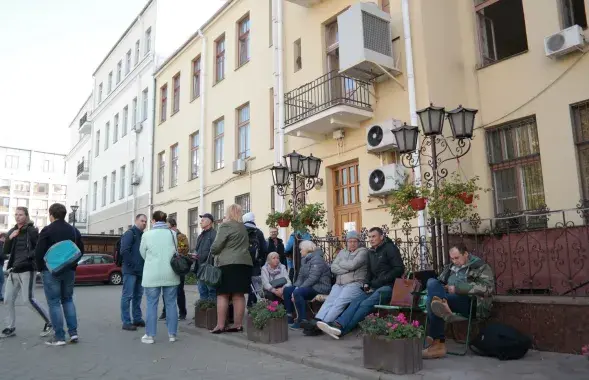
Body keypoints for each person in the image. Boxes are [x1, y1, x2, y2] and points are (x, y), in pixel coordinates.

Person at [317, 227, 404, 339]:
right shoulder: (371, 252)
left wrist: (382, 280)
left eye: (374, 236)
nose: (371, 239)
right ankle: (338, 324)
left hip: (389, 286)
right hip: (374, 286)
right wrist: (366, 283)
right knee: (356, 301)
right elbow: (369, 272)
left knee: (365, 304)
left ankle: (341, 329)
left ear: (382, 237)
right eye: (370, 237)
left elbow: (399, 269)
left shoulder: (390, 248)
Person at [422, 243, 495, 359]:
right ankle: (443, 306)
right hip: (449, 299)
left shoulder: (480, 266)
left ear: (465, 254)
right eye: (452, 258)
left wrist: (458, 289)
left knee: (433, 301)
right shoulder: (450, 268)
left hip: (471, 302)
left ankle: (438, 343)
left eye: (457, 258)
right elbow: (439, 282)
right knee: (431, 282)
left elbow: (488, 288)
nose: (454, 261)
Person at [35, 203, 84, 346]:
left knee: (54, 303)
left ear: (51, 215)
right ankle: (73, 333)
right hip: (69, 270)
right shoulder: (74, 231)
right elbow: (80, 250)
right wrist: (73, 265)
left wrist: (42, 268)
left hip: (51, 271)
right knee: (68, 300)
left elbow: (39, 252)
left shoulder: (47, 230)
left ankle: (59, 337)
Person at [1, 206, 52, 339]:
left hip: (27, 269)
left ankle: (49, 322)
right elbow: (5, 251)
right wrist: (9, 238)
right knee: (7, 299)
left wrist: (28, 257)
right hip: (13, 270)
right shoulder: (12, 230)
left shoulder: (32, 231)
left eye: (21, 214)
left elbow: (38, 248)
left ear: (26, 216)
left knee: (28, 300)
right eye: (16, 214)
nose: (18, 217)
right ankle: (10, 327)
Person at [309, 231, 368, 328]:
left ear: (358, 242)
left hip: (354, 283)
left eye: (355, 241)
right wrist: (347, 268)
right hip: (339, 283)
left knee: (339, 302)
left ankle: (325, 323)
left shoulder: (363, 252)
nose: (352, 243)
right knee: (329, 301)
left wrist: (341, 264)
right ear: (346, 242)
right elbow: (333, 268)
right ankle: (317, 320)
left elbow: (353, 265)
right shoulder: (342, 252)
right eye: (350, 241)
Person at [209, 204, 252, 334]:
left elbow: (215, 247)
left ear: (228, 212)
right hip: (244, 263)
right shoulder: (243, 228)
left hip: (228, 264)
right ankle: (238, 325)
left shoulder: (226, 226)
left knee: (223, 295)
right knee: (238, 295)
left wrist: (213, 251)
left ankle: (220, 325)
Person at [139, 211, 181, 344]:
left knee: (152, 304)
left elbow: (142, 253)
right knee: (171, 304)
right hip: (171, 273)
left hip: (152, 274)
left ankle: (150, 336)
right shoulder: (172, 234)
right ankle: (172, 335)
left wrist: (151, 261)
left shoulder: (146, 234)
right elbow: (176, 251)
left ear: (153, 220)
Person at [283, 240, 331, 330]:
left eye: (301, 249)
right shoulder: (305, 259)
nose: (300, 251)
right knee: (287, 290)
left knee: (298, 293)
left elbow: (313, 278)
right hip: (310, 286)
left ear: (307, 249)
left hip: (319, 287)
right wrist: (296, 287)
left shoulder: (317, 259)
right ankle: (289, 316)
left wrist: (298, 289)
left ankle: (302, 320)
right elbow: (301, 277)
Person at [120, 214, 147, 331]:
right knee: (127, 296)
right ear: (136, 221)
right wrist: (132, 265)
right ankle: (126, 321)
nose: (144, 223)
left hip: (140, 271)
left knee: (138, 296)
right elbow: (124, 251)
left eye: (145, 221)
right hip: (130, 271)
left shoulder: (143, 235)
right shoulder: (130, 233)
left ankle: (137, 318)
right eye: (142, 221)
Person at [159, 217, 189, 321]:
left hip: (178, 266)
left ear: (174, 226)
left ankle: (182, 312)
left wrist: (171, 250)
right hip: (167, 266)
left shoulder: (180, 236)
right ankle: (165, 312)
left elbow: (184, 249)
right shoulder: (165, 237)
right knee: (166, 290)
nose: (166, 230)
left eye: (168, 228)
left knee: (179, 290)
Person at [243, 212, 268, 307]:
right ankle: (252, 305)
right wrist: (261, 262)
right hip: (255, 264)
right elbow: (264, 249)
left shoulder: (240, 230)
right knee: (255, 285)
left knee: (240, 287)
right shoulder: (259, 232)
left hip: (242, 263)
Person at [194, 213, 217, 301]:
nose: (200, 222)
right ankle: (203, 313)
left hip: (210, 269)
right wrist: (195, 255)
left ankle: (212, 313)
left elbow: (215, 251)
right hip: (200, 268)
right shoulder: (201, 235)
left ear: (209, 222)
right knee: (202, 292)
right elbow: (197, 249)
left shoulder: (214, 234)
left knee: (212, 292)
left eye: (203, 220)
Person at [0, 232, 6, 302]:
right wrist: (7, 256)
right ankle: (0, 296)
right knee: (1, 280)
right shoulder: (1, 244)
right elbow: (1, 255)